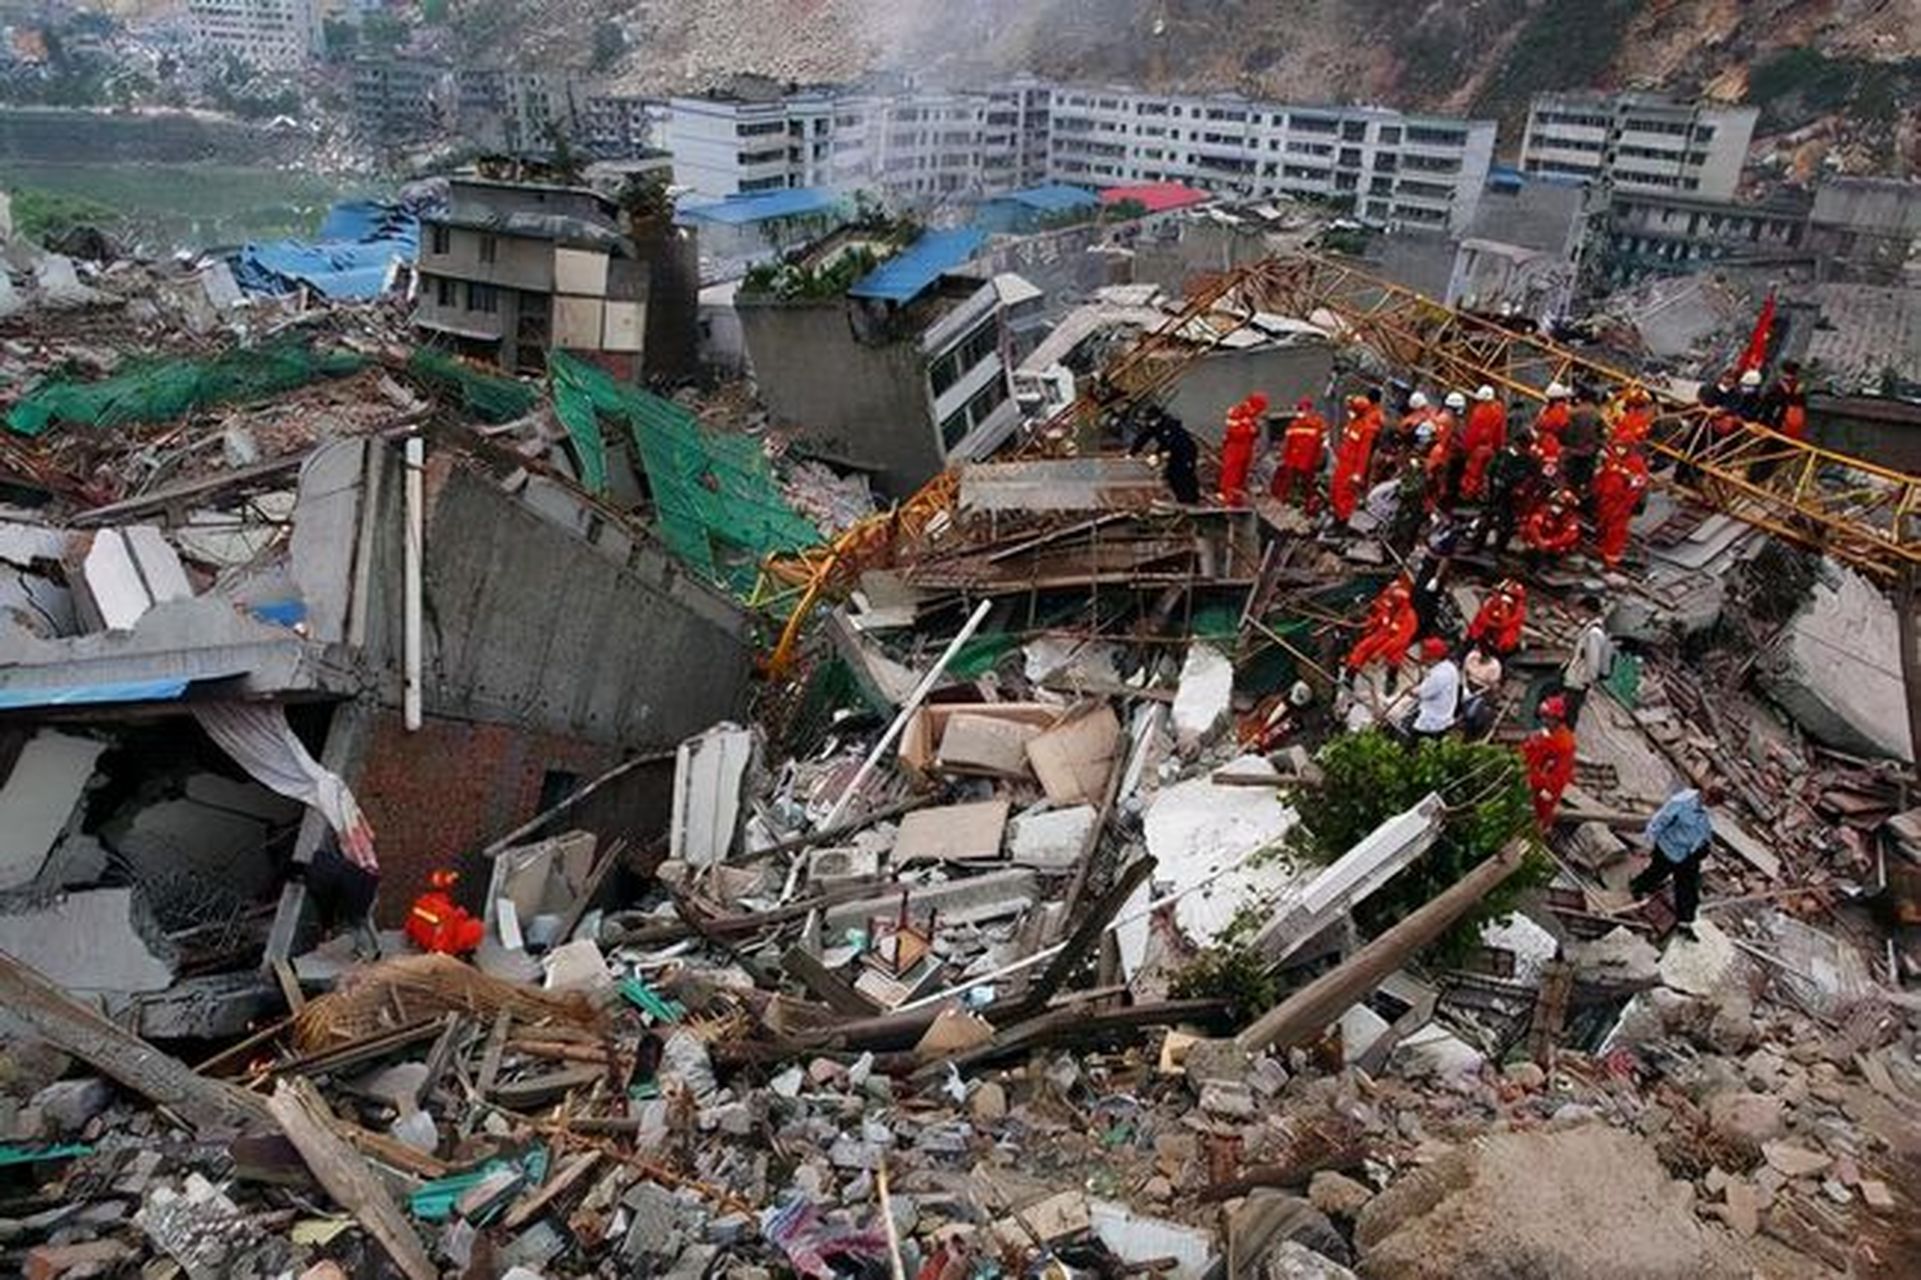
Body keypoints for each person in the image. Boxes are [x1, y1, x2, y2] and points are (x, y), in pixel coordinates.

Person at [1631, 781, 1725, 937]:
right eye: (1710, 803)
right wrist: (1647, 843)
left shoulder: (1707, 810)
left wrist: (1704, 846)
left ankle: (1685, 922)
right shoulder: (1682, 801)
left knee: (1688, 888)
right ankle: (1637, 887)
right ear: (1705, 795)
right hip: (1668, 847)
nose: (1710, 807)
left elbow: (1705, 828)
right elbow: (1660, 819)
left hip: (1688, 854)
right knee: (1656, 873)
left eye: (1713, 805)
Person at [1472, 425, 1542, 553]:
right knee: (1485, 520)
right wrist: (1487, 486)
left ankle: (1499, 550)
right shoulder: (1503, 454)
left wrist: (1523, 490)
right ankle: (1476, 546)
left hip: (1512, 497)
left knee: (1506, 525)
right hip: (1495, 492)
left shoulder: (1530, 461)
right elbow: (1489, 470)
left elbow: (1535, 479)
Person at [1346, 573, 1419, 679]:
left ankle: (1391, 677)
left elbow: (1400, 639)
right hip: (1384, 628)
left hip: (1397, 633)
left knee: (1395, 652)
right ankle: (1350, 674)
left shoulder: (1408, 613)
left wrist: (1380, 652)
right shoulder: (1391, 597)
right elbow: (1381, 609)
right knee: (1363, 647)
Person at [1521, 695, 1578, 828]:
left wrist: (1541, 788)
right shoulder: (1543, 733)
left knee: (1541, 812)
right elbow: (1527, 755)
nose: (1545, 721)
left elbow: (1559, 776)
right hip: (1530, 779)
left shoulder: (1565, 744)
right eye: (1544, 717)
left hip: (1545, 788)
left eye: (1549, 717)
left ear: (1558, 719)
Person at [1591, 443, 1649, 568]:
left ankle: (1611, 557)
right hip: (1606, 500)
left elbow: (1637, 486)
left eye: (1622, 447)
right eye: (1617, 447)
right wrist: (1596, 491)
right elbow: (1602, 475)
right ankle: (1600, 547)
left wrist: (1626, 504)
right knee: (1603, 524)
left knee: (1616, 530)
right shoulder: (1613, 458)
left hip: (1621, 503)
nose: (1619, 450)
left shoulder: (1636, 464)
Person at [1560, 594, 1614, 726]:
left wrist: (1587, 681)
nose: (1578, 613)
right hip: (1576, 681)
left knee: (1569, 719)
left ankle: (1566, 744)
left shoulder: (1594, 634)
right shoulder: (1591, 630)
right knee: (1566, 716)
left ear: (1586, 610)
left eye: (1580, 609)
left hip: (1578, 683)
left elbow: (1593, 662)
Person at [1130, 406, 1200, 504]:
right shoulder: (1153, 426)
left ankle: (1191, 500)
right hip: (1172, 452)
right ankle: (1181, 499)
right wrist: (1132, 452)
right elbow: (1143, 437)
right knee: (1172, 475)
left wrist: (1157, 454)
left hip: (1185, 452)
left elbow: (1170, 443)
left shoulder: (1170, 426)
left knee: (1184, 475)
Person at [1328, 393, 1381, 522]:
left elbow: (1364, 453)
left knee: (1345, 494)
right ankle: (1338, 517)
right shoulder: (1354, 423)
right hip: (1343, 463)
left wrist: (1358, 473)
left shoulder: (1367, 428)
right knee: (1335, 490)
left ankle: (1343, 521)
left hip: (1352, 466)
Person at [1271, 395, 1327, 509]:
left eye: (1301, 409)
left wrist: (1284, 457)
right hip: (1303, 461)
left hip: (1301, 461)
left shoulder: (1299, 424)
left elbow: (1323, 444)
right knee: (1302, 484)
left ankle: (1302, 504)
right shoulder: (1314, 424)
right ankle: (1300, 503)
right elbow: (1288, 444)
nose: (1300, 412)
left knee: (1302, 484)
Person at [1407, 636, 1461, 743]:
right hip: (1446, 716)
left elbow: (1422, 693)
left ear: (1435, 658)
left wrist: (1410, 690)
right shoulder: (1450, 667)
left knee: (1411, 746)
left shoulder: (1438, 675)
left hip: (1431, 722)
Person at [1459, 385, 1506, 502]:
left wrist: (1466, 449)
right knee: (1485, 474)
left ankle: (1468, 495)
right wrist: (1498, 448)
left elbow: (1472, 434)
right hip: (1490, 449)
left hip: (1478, 449)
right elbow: (1500, 432)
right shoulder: (1499, 410)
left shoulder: (1479, 412)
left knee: (1473, 473)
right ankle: (1483, 495)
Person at [1217, 395, 1263, 505]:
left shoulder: (1249, 416)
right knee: (1232, 470)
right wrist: (1251, 430)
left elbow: (1253, 431)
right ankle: (1226, 494)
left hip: (1245, 447)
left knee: (1242, 471)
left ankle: (1236, 496)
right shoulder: (1237, 413)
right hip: (1235, 447)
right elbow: (1235, 432)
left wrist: (1254, 430)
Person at [1563, 385, 1605, 500]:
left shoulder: (1573, 413)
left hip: (1573, 451)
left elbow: (1567, 432)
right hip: (1590, 451)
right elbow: (1601, 434)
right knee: (1586, 479)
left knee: (1572, 480)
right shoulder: (1597, 413)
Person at [1467, 577, 1527, 656]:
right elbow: (1483, 615)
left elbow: (1506, 624)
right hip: (1489, 627)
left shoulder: (1519, 610)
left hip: (1502, 631)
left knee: (1507, 638)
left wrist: (1503, 609)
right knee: (1476, 628)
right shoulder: (1492, 601)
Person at [1521, 486, 1581, 561]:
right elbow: (1533, 524)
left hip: (1554, 546)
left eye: (1563, 504)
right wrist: (1538, 541)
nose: (1558, 507)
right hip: (1537, 542)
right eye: (1557, 502)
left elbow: (1570, 535)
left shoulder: (1570, 518)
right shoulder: (1543, 509)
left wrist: (1550, 543)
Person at [1460, 645, 1503, 737]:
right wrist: (1465, 687)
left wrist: (1478, 693)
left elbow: (1492, 685)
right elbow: (1464, 673)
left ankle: (1474, 730)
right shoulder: (1471, 657)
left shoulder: (1494, 665)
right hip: (1469, 685)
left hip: (1484, 690)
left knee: (1475, 709)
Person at [1761, 359, 1808, 441]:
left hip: (1775, 421)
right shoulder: (1800, 386)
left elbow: (1768, 402)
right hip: (1789, 423)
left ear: (1782, 371)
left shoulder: (1779, 384)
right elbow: (1802, 403)